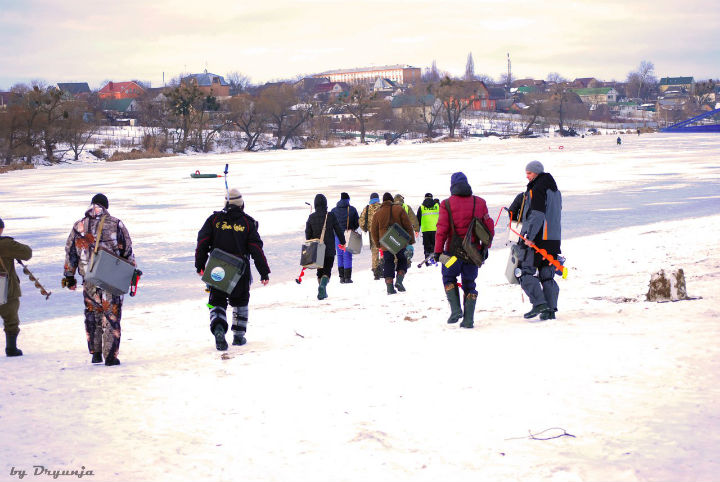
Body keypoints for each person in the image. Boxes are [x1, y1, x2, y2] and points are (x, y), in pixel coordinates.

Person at [63, 193, 135, 366]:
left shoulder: (79, 226)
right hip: (111, 278)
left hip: (89, 278)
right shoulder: (115, 223)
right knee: (111, 314)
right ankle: (110, 357)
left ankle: (95, 354)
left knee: (92, 313)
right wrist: (130, 271)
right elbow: (127, 249)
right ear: (106, 207)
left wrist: (69, 277)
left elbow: (70, 253)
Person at [196, 188, 270, 350]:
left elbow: (202, 242)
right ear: (241, 204)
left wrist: (200, 264)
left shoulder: (214, 220)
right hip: (240, 270)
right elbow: (256, 249)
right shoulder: (247, 223)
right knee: (240, 302)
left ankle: (219, 328)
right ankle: (238, 337)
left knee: (216, 302)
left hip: (217, 268)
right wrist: (264, 272)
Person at [433, 172, 494, 328]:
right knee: (470, 284)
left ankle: (455, 310)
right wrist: (486, 248)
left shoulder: (446, 204)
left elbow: (442, 230)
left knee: (448, 278)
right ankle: (468, 320)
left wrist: (437, 252)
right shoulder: (480, 202)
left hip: (451, 254)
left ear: (452, 186)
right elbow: (489, 228)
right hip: (473, 254)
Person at [514, 161, 562, 321]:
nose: (527, 176)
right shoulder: (555, 190)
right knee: (547, 274)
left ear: (536, 173)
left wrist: (529, 236)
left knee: (524, 271)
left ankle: (539, 303)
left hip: (539, 238)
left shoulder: (537, 189)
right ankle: (550, 310)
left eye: (529, 173)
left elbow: (537, 214)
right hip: (554, 238)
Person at [0, 217, 33, 357]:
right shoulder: (5, 244)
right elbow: (27, 253)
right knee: (10, 317)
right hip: (3, 286)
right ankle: (11, 348)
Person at [371, 193, 415, 295]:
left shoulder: (378, 213)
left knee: (388, 262)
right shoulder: (399, 209)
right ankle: (399, 281)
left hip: (385, 242)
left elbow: (373, 230)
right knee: (402, 259)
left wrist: (378, 244)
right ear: (392, 200)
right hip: (399, 241)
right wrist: (411, 241)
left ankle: (389, 287)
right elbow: (408, 225)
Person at [305, 194, 345, 300]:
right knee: (327, 270)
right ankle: (323, 287)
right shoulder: (330, 215)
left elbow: (307, 233)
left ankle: (322, 291)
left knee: (320, 270)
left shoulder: (311, 217)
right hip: (329, 249)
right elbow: (338, 230)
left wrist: (310, 244)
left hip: (317, 249)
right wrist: (343, 242)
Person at [330, 192, 359, 284]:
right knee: (347, 255)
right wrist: (352, 228)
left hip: (337, 236)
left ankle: (341, 277)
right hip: (348, 234)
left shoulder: (333, 210)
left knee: (339, 255)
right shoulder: (352, 209)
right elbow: (357, 223)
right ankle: (347, 278)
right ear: (348, 200)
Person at [360, 193, 383, 280]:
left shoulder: (367, 209)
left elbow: (361, 221)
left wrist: (366, 229)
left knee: (374, 252)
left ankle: (376, 271)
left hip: (372, 233)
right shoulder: (382, 207)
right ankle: (382, 268)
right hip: (383, 232)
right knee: (383, 250)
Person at [393, 194, 419, 268]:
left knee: (395, 245)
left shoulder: (391, 207)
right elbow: (413, 219)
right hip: (405, 231)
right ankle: (406, 261)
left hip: (394, 231)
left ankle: (396, 261)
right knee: (406, 246)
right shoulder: (407, 207)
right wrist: (416, 229)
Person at [416, 193, 440, 265]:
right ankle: (435, 258)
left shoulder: (421, 207)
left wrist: (417, 230)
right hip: (435, 229)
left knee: (426, 246)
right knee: (435, 245)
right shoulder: (437, 206)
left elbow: (418, 219)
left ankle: (427, 260)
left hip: (425, 229)